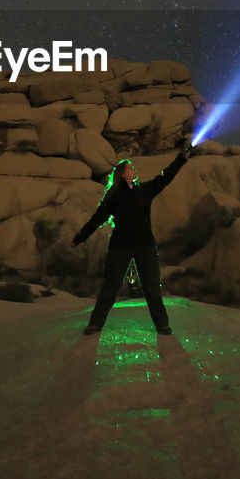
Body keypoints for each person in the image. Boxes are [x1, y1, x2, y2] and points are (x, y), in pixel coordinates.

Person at [71, 143, 193, 336]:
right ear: (122, 173)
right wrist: (80, 237)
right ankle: (95, 324)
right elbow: (97, 219)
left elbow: (165, 177)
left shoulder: (144, 190)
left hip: (145, 246)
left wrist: (181, 160)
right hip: (120, 247)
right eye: (130, 167)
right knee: (110, 287)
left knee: (152, 287)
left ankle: (162, 325)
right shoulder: (113, 197)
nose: (133, 169)